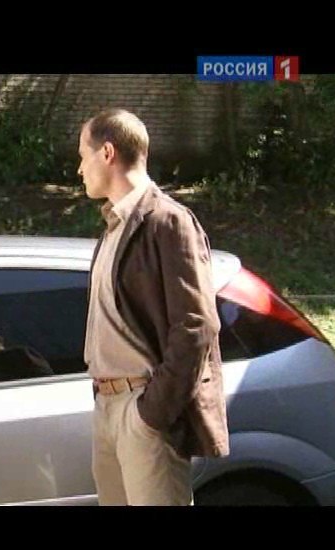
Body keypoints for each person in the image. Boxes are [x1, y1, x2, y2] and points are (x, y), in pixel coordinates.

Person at [78, 108, 229, 506]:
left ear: (107, 153)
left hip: (141, 411)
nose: (79, 169)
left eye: (83, 155)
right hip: (108, 406)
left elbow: (196, 326)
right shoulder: (113, 226)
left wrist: (151, 414)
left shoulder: (168, 221)